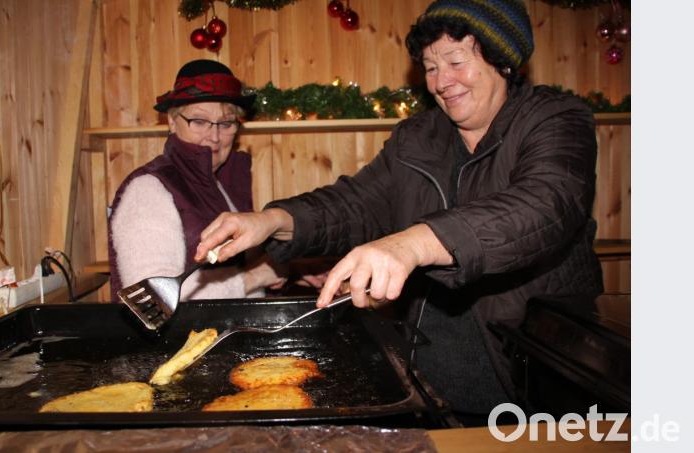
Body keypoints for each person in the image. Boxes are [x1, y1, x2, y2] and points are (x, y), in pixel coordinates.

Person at [193, 0, 603, 420]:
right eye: (430, 67)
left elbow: (545, 205)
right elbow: (357, 202)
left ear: (503, 60)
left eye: (456, 61)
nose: (442, 81)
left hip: (534, 388)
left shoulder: (556, 119)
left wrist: (413, 244)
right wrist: (274, 220)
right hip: (428, 384)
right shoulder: (418, 137)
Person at [108, 59, 285, 300]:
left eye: (225, 123)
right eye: (199, 121)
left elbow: (239, 264)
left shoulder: (224, 185)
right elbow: (151, 298)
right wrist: (259, 276)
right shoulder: (147, 190)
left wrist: (292, 267)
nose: (214, 136)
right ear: (172, 121)